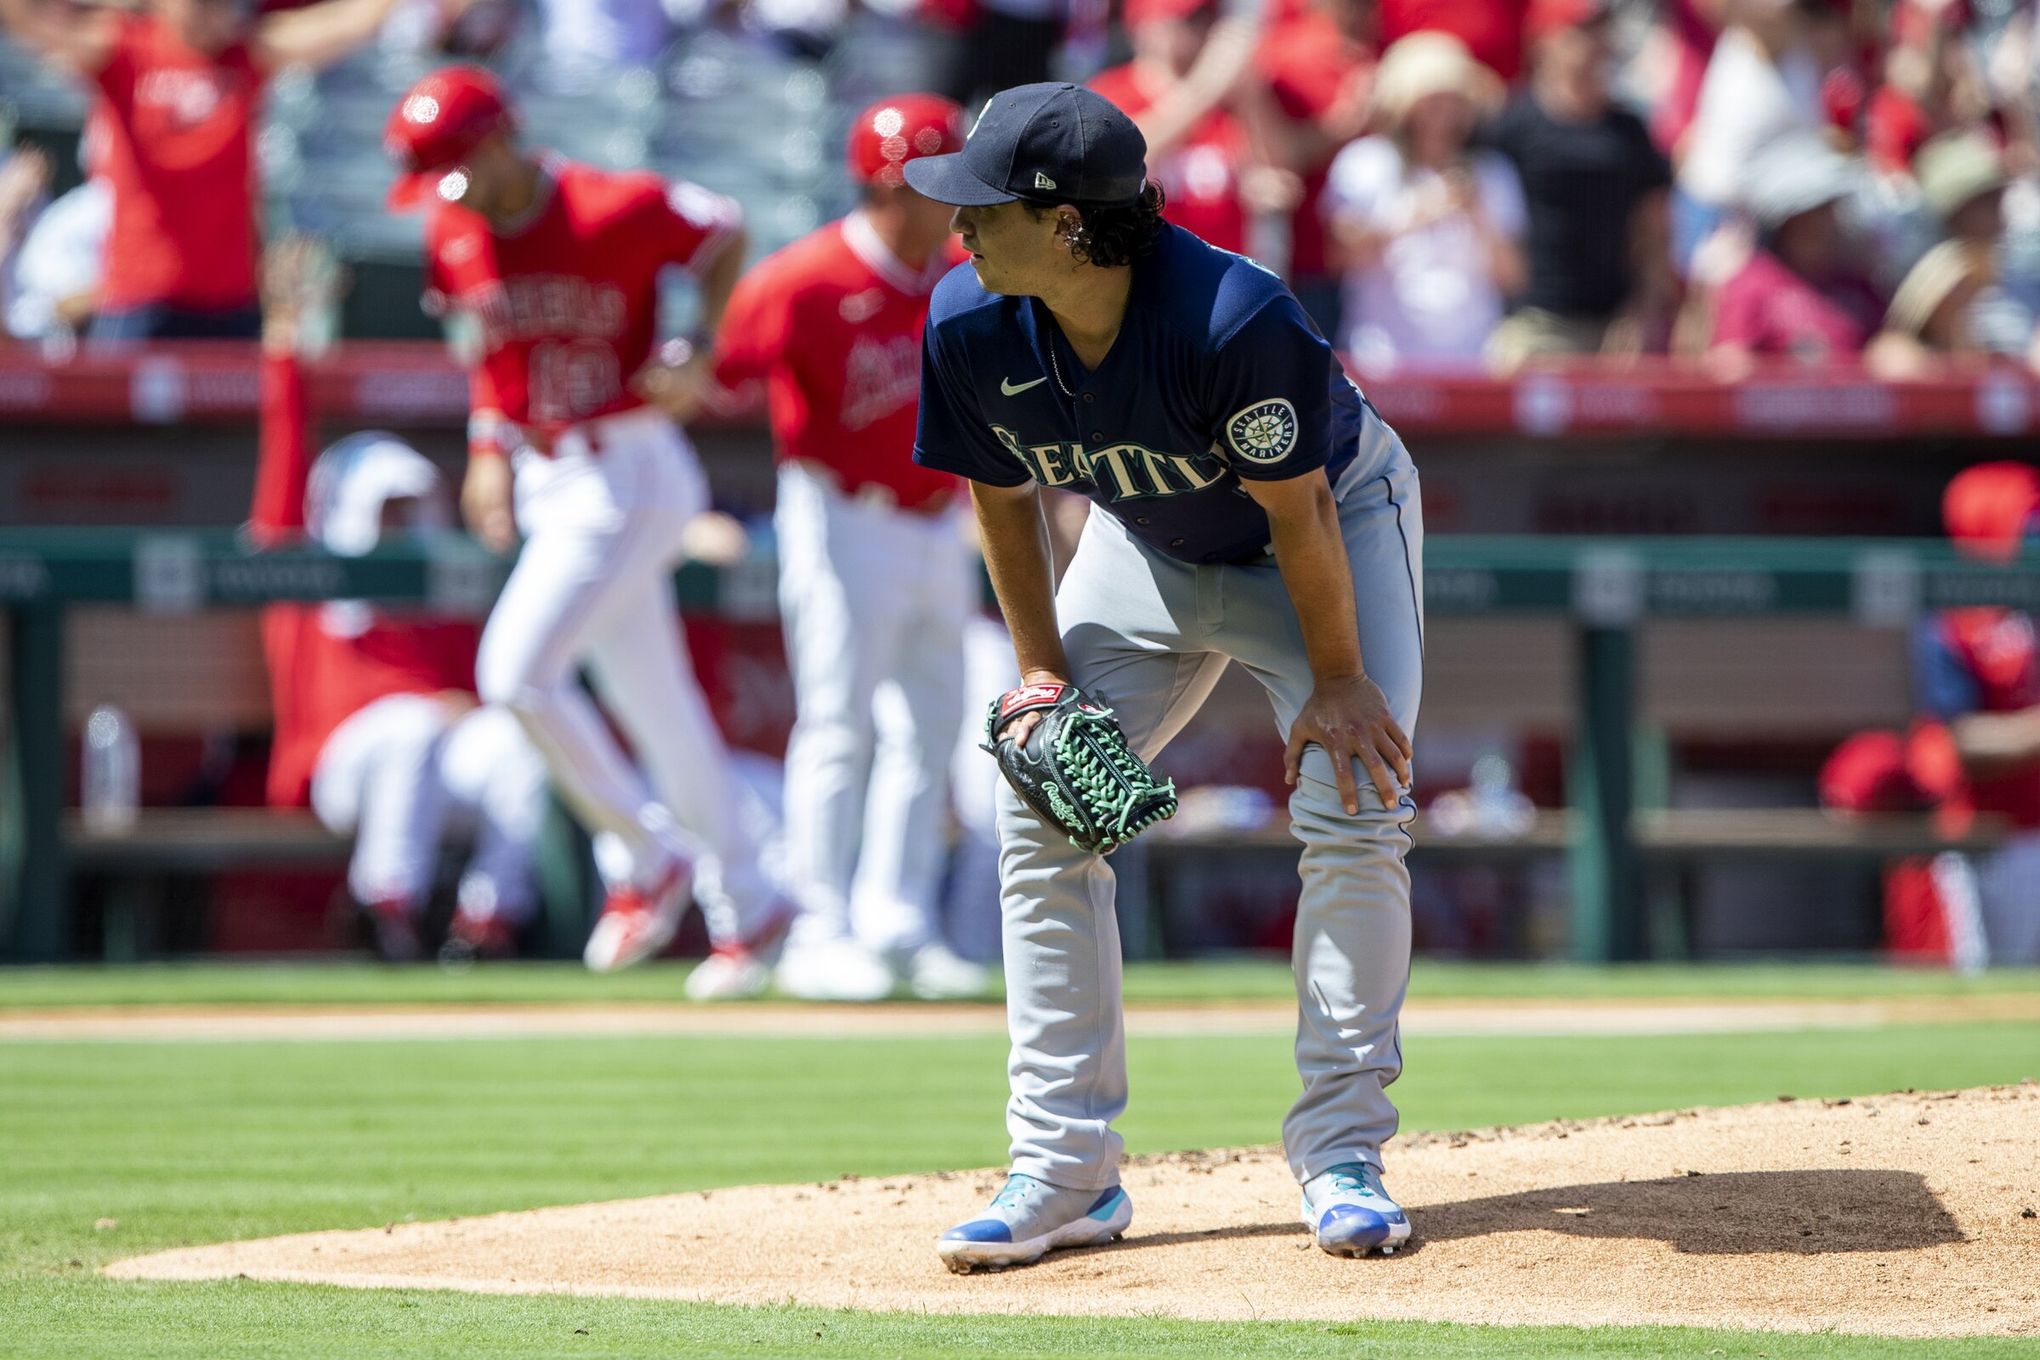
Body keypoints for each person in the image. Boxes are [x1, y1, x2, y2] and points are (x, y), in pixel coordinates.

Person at [903, 82, 1423, 1269]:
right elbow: (1004, 497)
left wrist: (1339, 681)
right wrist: (1040, 670)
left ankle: (1342, 1149)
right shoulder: (967, 320)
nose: (959, 227)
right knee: (1042, 802)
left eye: (987, 206)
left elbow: (1299, 517)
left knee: (1356, 805)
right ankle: (1065, 1171)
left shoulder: (1235, 317)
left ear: (1073, 223)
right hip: (1142, 547)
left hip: (1326, 530)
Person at [383, 64, 791, 990]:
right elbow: (490, 349)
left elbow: (726, 229)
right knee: (663, 713)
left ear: (498, 141)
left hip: (627, 461)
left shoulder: (613, 203)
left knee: (514, 674)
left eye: (456, 168)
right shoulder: (454, 231)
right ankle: (754, 903)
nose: (450, 194)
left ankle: (646, 856)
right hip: (545, 471)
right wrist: (488, 446)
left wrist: (698, 349)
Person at [709, 94, 988, 1002]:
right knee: (838, 722)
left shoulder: (966, 273)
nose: (952, 202)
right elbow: (714, 380)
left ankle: (898, 923)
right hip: (840, 511)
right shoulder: (803, 277)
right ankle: (818, 925)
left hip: (936, 515)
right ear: (885, 187)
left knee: (933, 728)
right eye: (932, 183)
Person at [250, 245, 545, 963]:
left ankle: (489, 922)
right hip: (341, 768)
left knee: (523, 743)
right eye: (385, 508)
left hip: (441, 761)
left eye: (409, 505)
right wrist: (286, 344)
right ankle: (383, 912)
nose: (400, 522)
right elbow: (285, 453)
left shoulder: (441, 585)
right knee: (410, 727)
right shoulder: (306, 573)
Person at [0, 0, 411, 341]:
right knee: (126, 440)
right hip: (140, 301)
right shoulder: (127, 50)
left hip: (230, 304)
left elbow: (346, 22)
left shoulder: (246, 56)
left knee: (236, 439)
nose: (220, 10)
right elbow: (33, 22)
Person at [1322, 32, 1527, 371]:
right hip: (1380, 362)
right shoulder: (1364, 163)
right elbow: (1342, 256)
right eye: (1432, 99)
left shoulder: (1492, 172)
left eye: (1455, 100)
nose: (1444, 114)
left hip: (1473, 363)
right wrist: (1419, 210)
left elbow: (1514, 277)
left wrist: (1478, 213)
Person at [1487, 0, 1676, 367]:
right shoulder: (1513, 126)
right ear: (1546, 41)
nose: (1595, 43)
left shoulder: (1629, 130)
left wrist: (1643, 310)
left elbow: (1654, 232)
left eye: (1601, 30)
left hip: (1617, 331)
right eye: (1582, 31)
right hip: (1538, 327)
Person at [1911, 461, 2040, 965]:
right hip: (1987, 835)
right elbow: (1962, 744)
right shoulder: (1953, 625)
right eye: (2025, 527)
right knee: (1988, 983)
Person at [1703, 133, 1885, 370]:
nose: (1820, 225)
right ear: (1784, 222)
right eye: (1808, 214)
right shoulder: (1752, 284)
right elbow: (1728, 365)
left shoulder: (1857, 286)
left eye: (1825, 211)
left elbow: (1883, 343)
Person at [1090, 0, 1251, 256]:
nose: (1203, 28)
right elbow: (1128, 154)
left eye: (1208, 17)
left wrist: (1251, 91)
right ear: (1146, 27)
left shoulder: (1229, 94)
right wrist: (1209, 83)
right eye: (1190, 19)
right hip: (1150, 266)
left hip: (1222, 269)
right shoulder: (1110, 92)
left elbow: (1275, 167)